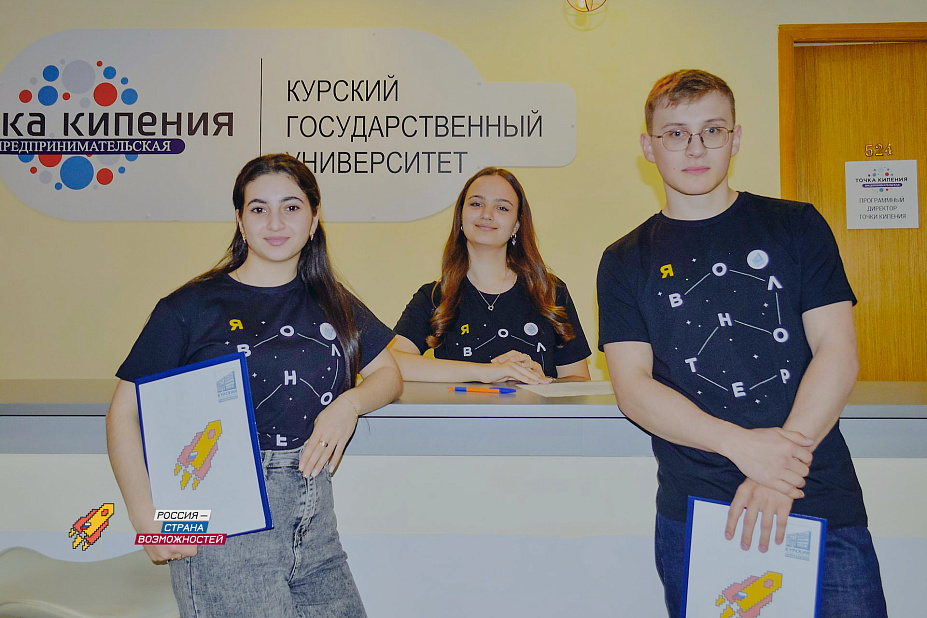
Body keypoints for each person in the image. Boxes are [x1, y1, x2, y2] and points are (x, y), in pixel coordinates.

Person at [596, 70, 887, 617]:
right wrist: (743, 447)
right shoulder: (624, 259)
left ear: (735, 139)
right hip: (701, 510)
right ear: (648, 147)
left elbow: (838, 351)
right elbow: (632, 388)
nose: (696, 147)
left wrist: (779, 469)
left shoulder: (796, 226)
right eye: (676, 133)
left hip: (817, 495)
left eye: (713, 130)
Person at [106, 153, 402, 617]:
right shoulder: (191, 306)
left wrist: (348, 405)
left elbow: (390, 374)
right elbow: (124, 411)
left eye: (291, 207)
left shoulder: (331, 300)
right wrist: (147, 518)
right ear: (241, 222)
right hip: (224, 525)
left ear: (314, 219)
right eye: (259, 208)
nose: (275, 222)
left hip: (316, 525)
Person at [391, 167, 591, 383]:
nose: (486, 214)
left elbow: (579, 381)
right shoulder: (434, 297)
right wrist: (485, 372)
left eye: (502, 208)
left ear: (516, 225)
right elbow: (390, 364)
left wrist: (543, 381)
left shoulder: (549, 291)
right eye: (476, 204)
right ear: (461, 216)